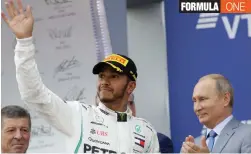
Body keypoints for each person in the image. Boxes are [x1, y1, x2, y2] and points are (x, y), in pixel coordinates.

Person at [1, 0, 159, 153]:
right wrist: (24, 42)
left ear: (131, 86)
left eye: (114, 77)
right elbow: (33, 94)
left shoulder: (146, 132)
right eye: (102, 76)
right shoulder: (78, 115)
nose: (105, 82)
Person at [181, 74, 251, 153]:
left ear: (225, 99)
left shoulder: (248, 134)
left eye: (202, 99)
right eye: (194, 101)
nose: (197, 108)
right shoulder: (192, 146)